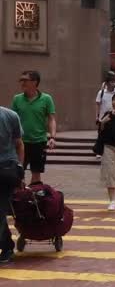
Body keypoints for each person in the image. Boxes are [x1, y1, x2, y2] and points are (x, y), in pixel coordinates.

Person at [12, 70, 56, 185]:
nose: (22, 83)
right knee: (18, 172)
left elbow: (51, 119)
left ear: (35, 82)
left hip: (39, 141)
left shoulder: (46, 99)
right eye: (21, 80)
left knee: (36, 174)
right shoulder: (17, 99)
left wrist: (52, 137)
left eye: (25, 80)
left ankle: (34, 199)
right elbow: (13, 120)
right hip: (21, 142)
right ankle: (20, 198)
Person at [0, 106, 25, 263]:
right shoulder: (11, 115)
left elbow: (19, 144)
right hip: (10, 168)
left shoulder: (10, 115)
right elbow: (20, 144)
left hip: (6, 171)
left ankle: (8, 247)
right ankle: (7, 246)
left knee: (0, 210)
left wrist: (20, 170)